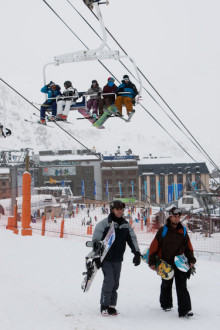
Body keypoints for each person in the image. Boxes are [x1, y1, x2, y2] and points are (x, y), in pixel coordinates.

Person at [92, 200, 141, 315]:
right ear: (112, 210)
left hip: (118, 259)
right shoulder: (104, 224)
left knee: (115, 283)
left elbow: (132, 239)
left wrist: (137, 253)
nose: (120, 211)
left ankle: (111, 305)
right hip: (106, 258)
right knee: (109, 281)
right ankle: (104, 304)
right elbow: (96, 241)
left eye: (121, 209)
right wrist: (96, 257)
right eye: (117, 209)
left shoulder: (125, 225)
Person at [148, 207, 196, 318]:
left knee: (182, 286)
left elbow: (188, 247)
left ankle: (185, 309)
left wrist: (191, 260)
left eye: (178, 217)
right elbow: (154, 245)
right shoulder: (163, 230)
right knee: (166, 285)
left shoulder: (183, 231)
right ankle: (166, 305)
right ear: (170, 217)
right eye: (174, 216)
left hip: (179, 262)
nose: (176, 219)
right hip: (165, 263)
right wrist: (152, 261)